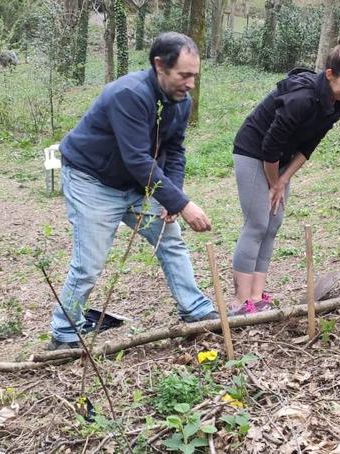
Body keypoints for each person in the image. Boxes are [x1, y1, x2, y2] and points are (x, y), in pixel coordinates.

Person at [47, 32, 218, 350]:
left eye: (194, 75)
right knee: (89, 263)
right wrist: (183, 204)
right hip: (92, 180)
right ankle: (64, 334)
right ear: (159, 66)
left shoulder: (180, 102)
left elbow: (175, 150)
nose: (191, 83)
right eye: (184, 75)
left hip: (137, 184)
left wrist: (172, 195)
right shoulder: (129, 94)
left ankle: (196, 312)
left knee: (171, 241)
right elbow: (138, 158)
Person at [230, 31, 340, 314]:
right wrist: (274, 184)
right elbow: (269, 147)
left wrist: (283, 180)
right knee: (257, 222)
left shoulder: (337, 103)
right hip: (253, 151)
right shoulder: (301, 98)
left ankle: (257, 297)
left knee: (273, 222)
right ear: (330, 74)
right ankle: (239, 302)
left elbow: (308, 147)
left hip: (280, 159)